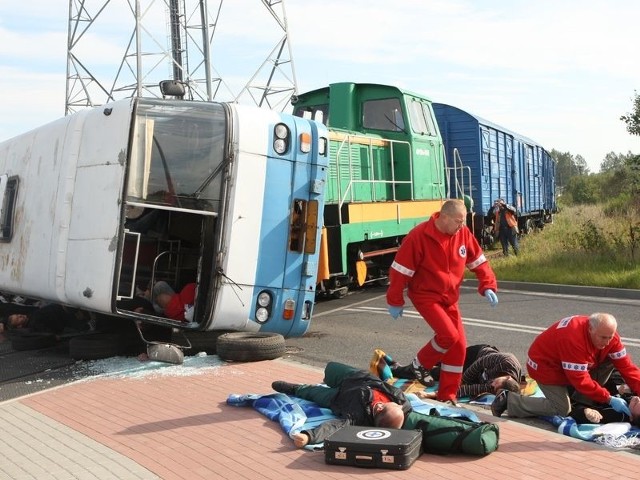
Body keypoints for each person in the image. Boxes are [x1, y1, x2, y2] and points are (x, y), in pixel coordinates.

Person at [385, 199, 499, 404]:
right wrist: (395, 300)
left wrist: (488, 284)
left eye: (463, 221)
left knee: (459, 346)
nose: (462, 226)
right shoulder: (419, 236)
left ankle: (448, 395)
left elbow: (479, 261)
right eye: (458, 221)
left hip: (450, 297)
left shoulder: (462, 234)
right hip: (425, 295)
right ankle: (419, 365)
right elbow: (400, 270)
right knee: (448, 335)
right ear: (443, 217)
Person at [491, 313, 640, 419]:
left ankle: (582, 400)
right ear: (590, 329)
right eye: (603, 338)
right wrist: (608, 398)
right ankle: (509, 401)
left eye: (610, 337)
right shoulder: (574, 340)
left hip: (569, 366)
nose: (607, 342)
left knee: (610, 360)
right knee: (562, 409)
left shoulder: (609, 336)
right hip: (545, 367)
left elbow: (627, 368)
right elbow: (579, 379)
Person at [272, 361, 412, 448]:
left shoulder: (358, 417)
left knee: (311, 392)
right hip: (356, 377)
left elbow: (334, 427)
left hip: (337, 397)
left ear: (380, 408)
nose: (398, 405)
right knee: (331, 368)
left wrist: (308, 436)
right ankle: (328, 380)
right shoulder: (401, 401)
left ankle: (294, 388)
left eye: (394, 406)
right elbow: (403, 409)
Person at [391, 344, 524, 400]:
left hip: (477, 374)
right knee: (441, 361)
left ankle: (399, 370)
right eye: (496, 384)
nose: (492, 385)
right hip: (476, 355)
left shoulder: (498, 387)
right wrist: (461, 380)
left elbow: (471, 390)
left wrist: (431, 395)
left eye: (494, 389)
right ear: (508, 378)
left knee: (436, 373)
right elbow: (480, 363)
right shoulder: (507, 361)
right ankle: (399, 369)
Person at [3, 303, 91, 336]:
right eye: (18, 318)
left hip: (62, 309)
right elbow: (48, 332)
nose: (20, 316)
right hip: (64, 316)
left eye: (18, 315)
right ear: (19, 326)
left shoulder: (31, 315)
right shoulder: (34, 324)